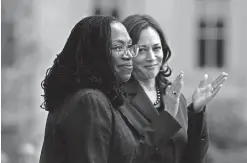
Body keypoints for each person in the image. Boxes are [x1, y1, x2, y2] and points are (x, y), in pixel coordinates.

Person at [39, 15, 181, 163]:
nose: (128, 56)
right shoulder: (89, 101)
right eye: (118, 47)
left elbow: (132, 159)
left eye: (129, 47)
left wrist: (167, 120)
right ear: (94, 52)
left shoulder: (97, 98)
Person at [122, 14, 228, 163]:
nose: (151, 57)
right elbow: (131, 156)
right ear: (127, 54)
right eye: (141, 50)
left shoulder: (174, 95)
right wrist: (167, 118)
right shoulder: (117, 100)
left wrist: (196, 111)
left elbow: (194, 159)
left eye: (156, 48)